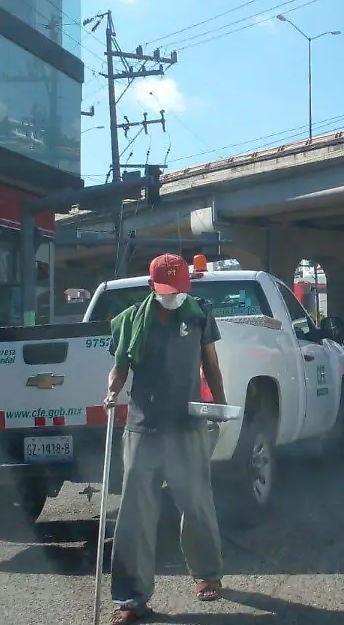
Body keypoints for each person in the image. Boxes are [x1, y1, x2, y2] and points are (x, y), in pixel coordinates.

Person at [104, 253, 228, 624]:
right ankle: (131, 597)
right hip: (143, 427)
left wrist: (220, 405)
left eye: (178, 289)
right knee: (135, 514)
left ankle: (207, 573)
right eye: (167, 290)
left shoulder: (199, 314)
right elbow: (119, 367)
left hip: (186, 426)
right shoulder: (129, 321)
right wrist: (111, 391)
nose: (174, 296)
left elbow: (211, 364)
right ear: (151, 287)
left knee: (197, 503)